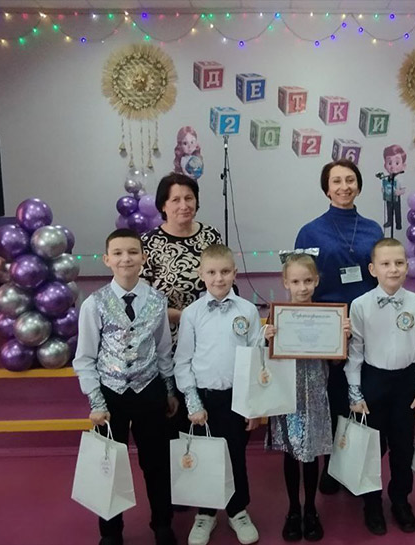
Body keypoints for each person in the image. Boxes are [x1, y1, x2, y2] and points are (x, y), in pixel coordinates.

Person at [72, 228, 180, 545]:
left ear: (143, 258)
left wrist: (169, 389)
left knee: (156, 461)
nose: (125, 259)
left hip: (149, 389)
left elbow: (163, 349)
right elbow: (85, 357)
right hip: (110, 394)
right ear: (107, 259)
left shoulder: (157, 300)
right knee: (109, 463)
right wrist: (96, 401)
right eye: (118, 253)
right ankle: (111, 531)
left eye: (132, 252)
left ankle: (162, 523)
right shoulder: (94, 304)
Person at [294, 159, 383, 494]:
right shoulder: (309, 231)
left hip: (366, 323)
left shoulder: (373, 229)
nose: (344, 186)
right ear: (326, 189)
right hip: (327, 324)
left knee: (365, 393)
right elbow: (299, 278)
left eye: (350, 180)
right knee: (333, 397)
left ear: (358, 185)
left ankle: (358, 463)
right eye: (336, 181)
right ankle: (333, 465)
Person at [173, 244, 261, 545]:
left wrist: (252, 405)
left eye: (225, 272)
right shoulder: (192, 313)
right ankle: (206, 513)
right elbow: (183, 360)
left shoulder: (248, 310)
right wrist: (192, 402)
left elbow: (256, 358)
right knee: (205, 456)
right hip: (204, 400)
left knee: (236, 455)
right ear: (201, 274)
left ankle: (238, 510)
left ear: (234, 273)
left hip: (237, 398)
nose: (219, 278)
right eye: (211, 272)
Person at [346, 238, 415, 536]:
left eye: (399, 263)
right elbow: (355, 352)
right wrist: (355, 392)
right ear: (373, 269)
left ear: (407, 266)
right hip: (373, 381)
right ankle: (371, 503)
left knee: (403, 446)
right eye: (385, 264)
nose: (393, 269)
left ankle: (400, 500)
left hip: (406, 382)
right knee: (371, 447)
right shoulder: (360, 305)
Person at [263, 252, 350, 542]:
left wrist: (342, 338)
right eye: (296, 281)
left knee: (311, 455)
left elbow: (336, 361)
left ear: (316, 281)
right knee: (290, 454)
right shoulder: (277, 317)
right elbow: (264, 359)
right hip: (286, 395)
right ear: (285, 282)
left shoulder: (329, 316)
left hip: (315, 395)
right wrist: (266, 338)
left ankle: (311, 509)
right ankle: (293, 510)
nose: (302, 287)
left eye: (308, 281)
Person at [141, 173, 225, 457]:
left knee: (208, 419)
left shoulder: (211, 236)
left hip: (209, 340)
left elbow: (224, 281)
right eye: (175, 199)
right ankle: (179, 475)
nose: (183, 205)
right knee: (174, 419)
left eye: (189, 198)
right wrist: (182, 317)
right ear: (163, 205)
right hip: (168, 342)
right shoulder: (149, 243)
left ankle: (206, 474)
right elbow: (142, 300)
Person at [380, 145, 406, 230]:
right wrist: (383, 190)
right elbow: (385, 185)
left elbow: (403, 189)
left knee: (397, 211)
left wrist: (399, 192)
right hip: (388, 197)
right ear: (385, 165)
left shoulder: (400, 178)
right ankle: (389, 221)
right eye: (389, 163)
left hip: (396, 198)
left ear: (403, 165)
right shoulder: (387, 178)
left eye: (397, 163)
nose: (392, 166)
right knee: (389, 210)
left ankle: (398, 224)